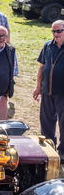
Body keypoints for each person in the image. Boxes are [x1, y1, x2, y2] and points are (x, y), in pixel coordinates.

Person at [33, 20, 64, 161]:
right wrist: (38, 87)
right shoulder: (47, 45)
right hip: (47, 91)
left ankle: (62, 152)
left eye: (59, 31)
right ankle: (48, 149)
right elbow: (41, 67)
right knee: (46, 122)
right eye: (53, 31)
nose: (55, 34)